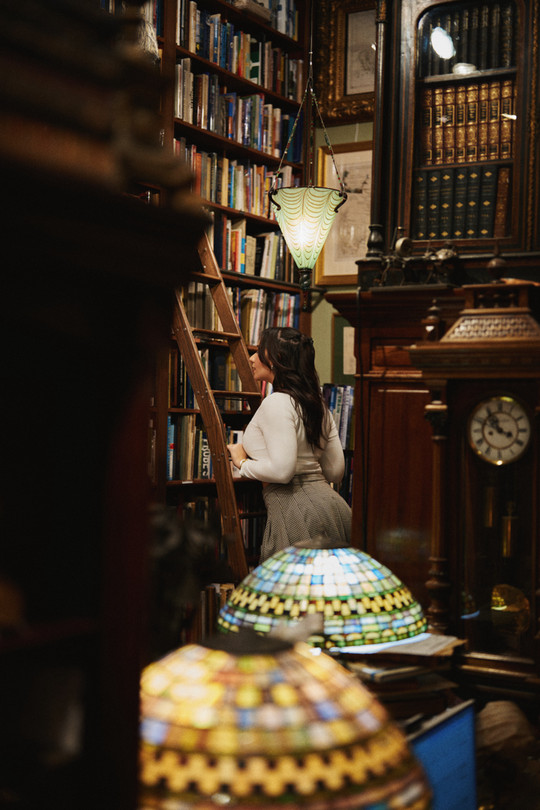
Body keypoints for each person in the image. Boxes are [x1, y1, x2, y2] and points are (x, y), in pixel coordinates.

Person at [227, 326, 352, 562]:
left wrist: (241, 462)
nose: (252, 358)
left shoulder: (277, 403)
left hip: (297, 513)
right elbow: (335, 472)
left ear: (277, 359)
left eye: (259, 351)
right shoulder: (318, 405)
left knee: (291, 585)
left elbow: (282, 472)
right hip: (335, 509)